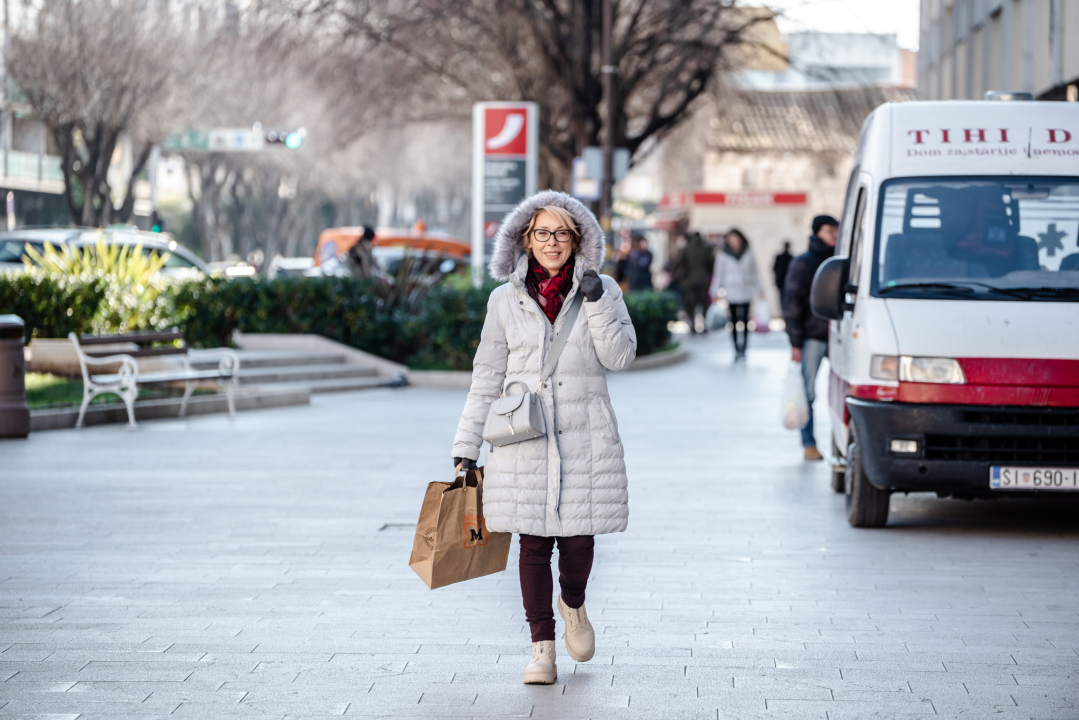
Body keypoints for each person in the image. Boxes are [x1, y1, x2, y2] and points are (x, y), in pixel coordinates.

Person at [451, 190, 636, 686]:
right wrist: (465, 446)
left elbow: (620, 357)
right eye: (541, 233)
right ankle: (542, 648)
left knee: (578, 543)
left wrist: (596, 301)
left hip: (585, 439)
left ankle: (572, 603)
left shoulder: (604, 290)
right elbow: (486, 376)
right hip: (523, 439)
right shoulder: (503, 300)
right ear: (525, 240)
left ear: (577, 240)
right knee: (532, 545)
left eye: (561, 234)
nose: (551, 242)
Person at [782, 215, 838, 461]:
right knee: (808, 392)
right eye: (829, 230)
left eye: (836, 230)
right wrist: (795, 342)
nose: (834, 235)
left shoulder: (844, 260)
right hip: (812, 336)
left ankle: (842, 442)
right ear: (817, 232)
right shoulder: (803, 263)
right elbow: (792, 303)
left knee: (844, 389)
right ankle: (808, 443)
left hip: (839, 335)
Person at [710, 228, 763, 359]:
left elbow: (755, 272)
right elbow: (719, 274)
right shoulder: (723, 254)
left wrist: (760, 289)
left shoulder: (748, 253)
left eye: (736, 239)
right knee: (733, 321)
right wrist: (714, 291)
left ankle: (744, 347)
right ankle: (736, 348)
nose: (734, 242)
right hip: (731, 291)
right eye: (731, 239)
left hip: (745, 290)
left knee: (745, 320)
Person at [672, 231, 715, 334]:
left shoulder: (686, 249)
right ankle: (703, 324)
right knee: (703, 303)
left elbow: (677, 264)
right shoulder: (705, 249)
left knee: (690, 304)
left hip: (688, 282)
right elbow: (712, 265)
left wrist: (679, 275)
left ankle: (692, 325)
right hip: (703, 281)